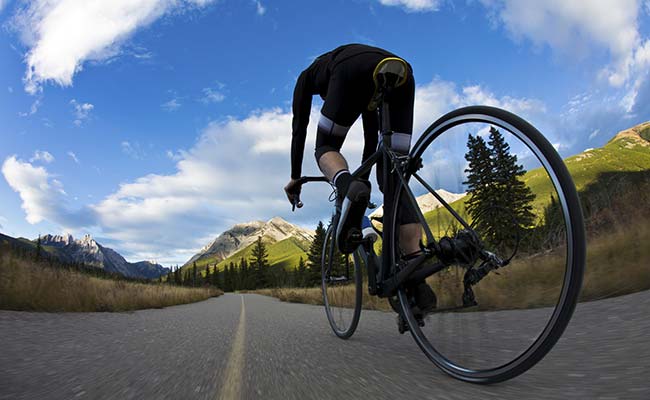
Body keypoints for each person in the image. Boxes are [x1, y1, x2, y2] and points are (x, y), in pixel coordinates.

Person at [283, 44, 436, 315]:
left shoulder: (307, 76)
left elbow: (299, 127)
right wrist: (366, 178)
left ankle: (345, 184)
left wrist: (295, 178)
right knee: (392, 178)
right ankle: (416, 271)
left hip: (349, 72)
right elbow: (372, 141)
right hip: (400, 72)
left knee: (325, 147)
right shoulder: (369, 80)